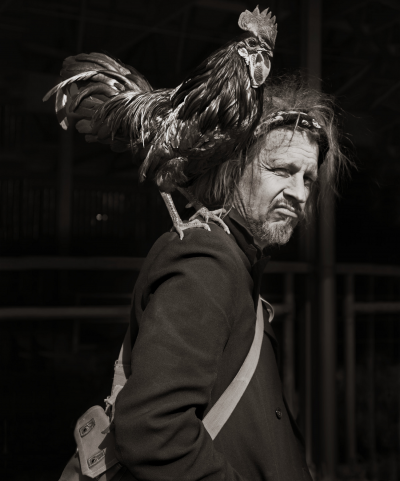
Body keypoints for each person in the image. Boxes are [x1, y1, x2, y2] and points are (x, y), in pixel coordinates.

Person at [113, 78, 348, 481]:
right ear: (234, 166)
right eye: (282, 170)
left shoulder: (238, 259)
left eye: (307, 178)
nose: (300, 193)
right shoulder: (207, 260)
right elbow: (153, 429)